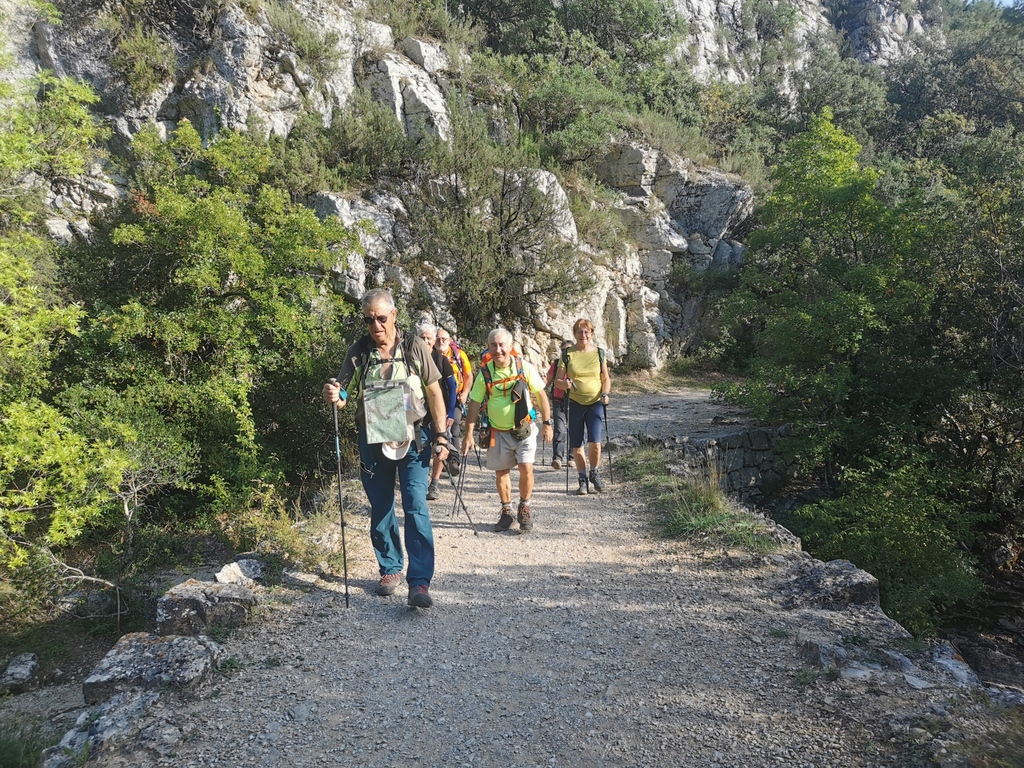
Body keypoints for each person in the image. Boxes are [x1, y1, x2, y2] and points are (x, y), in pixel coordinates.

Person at [322, 289, 451, 608]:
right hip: (373, 439)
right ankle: (390, 569)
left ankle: (419, 582)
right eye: (369, 319)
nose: (375, 325)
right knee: (380, 507)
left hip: (413, 439)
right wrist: (335, 396)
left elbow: (435, 393)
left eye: (381, 318)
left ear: (393, 315)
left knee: (416, 504)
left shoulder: (414, 346)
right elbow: (343, 393)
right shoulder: (359, 350)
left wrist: (441, 436)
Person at [461, 328, 553, 533]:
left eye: (502, 345)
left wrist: (547, 423)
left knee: (526, 468)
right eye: (493, 345)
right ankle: (506, 511)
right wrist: (469, 434)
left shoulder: (523, 367)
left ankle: (525, 506)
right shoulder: (485, 373)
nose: (498, 349)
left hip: (524, 429)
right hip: (497, 431)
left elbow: (541, 395)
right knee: (501, 473)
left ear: (510, 347)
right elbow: (474, 404)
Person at [555, 318, 612, 495]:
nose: (583, 335)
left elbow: (605, 378)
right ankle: (582, 479)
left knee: (595, 443)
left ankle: (594, 472)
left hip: (595, 403)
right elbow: (558, 381)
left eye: (587, 332)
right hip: (574, 403)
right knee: (577, 444)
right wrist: (566, 385)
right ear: (574, 334)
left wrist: (606, 393)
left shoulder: (599, 353)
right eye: (580, 332)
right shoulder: (567, 355)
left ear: (592, 334)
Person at [415, 322, 458, 501]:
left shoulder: (441, 360)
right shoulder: (411, 359)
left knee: (440, 446)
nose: (425, 341)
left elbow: (452, 387)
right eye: (422, 338)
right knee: (421, 447)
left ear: (433, 341)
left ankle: (434, 483)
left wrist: (449, 414)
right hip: (419, 412)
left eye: (428, 338)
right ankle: (420, 480)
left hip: (438, 413)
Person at [435, 326, 473, 474]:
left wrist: (465, 393)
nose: (440, 341)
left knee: (454, 426)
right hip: (435, 399)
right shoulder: (429, 355)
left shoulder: (459, 355)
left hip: (455, 397)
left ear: (450, 340)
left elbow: (469, 376)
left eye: (444, 338)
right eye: (438, 338)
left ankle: (454, 461)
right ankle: (441, 459)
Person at [544, 341, 574, 470]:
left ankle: (572, 458)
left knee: (574, 429)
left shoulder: (577, 364)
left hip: (575, 400)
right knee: (559, 429)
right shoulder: (556, 364)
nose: (565, 353)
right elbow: (548, 380)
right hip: (558, 400)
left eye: (568, 350)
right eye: (563, 350)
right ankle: (557, 458)